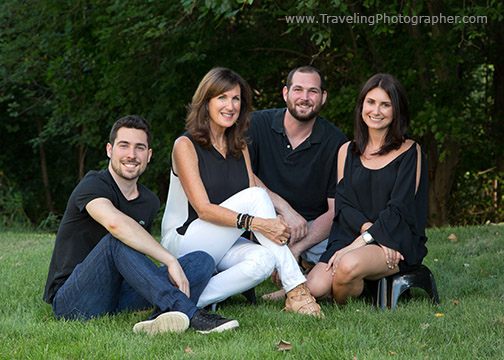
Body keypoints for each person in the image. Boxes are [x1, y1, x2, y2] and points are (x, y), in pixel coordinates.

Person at [43, 115, 239, 334]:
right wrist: (169, 260)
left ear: (149, 155)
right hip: (74, 300)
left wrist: (171, 267)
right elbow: (116, 225)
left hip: (118, 296)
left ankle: (159, 319)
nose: (131, 155)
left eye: (139, 148)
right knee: (115, 241)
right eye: (123, 146)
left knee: (201, 260)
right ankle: (190, 313)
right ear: (110, 150)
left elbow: (135, 257)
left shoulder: (149, 201)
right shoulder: (92, 185)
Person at [160, 67, 322, 317]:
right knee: (257, 195)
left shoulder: (240, 147)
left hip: (224, 239)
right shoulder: (185, 145)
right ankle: (297, 288)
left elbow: (250, 194)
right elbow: (203, 210)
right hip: (184, 240)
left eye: (236, 99)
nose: (230, 105)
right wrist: (262, 224)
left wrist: (272, 221)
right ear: (206, 103)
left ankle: (186, 299)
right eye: (222, 98)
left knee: (264, 262)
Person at [306, 73, 428, 304]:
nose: (376, 111)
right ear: (361, 106)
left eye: (385, 105)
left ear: (396, 110)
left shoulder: (411, 151)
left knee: (346, 264)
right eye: (370, 102)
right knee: (315, 287)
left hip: (393, 237)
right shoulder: (347, 151)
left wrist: (368, 240)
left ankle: (343, 303)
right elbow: (344, 204)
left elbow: (399, 207)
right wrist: (366, 232)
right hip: (352, 233)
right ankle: (349, 284)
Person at [246, 65, 347, 299]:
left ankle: (296, 267)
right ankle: (287, 263)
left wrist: (297, 247)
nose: (304, 98)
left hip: (311, 231)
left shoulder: (336, 142)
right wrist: (285, 209)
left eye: (312, 91)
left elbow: (335, 211)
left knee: (339, 254)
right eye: (298, 89)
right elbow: (243, 175)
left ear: (322, 98)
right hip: (263, 224)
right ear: (285, 93)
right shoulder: (257, 124)